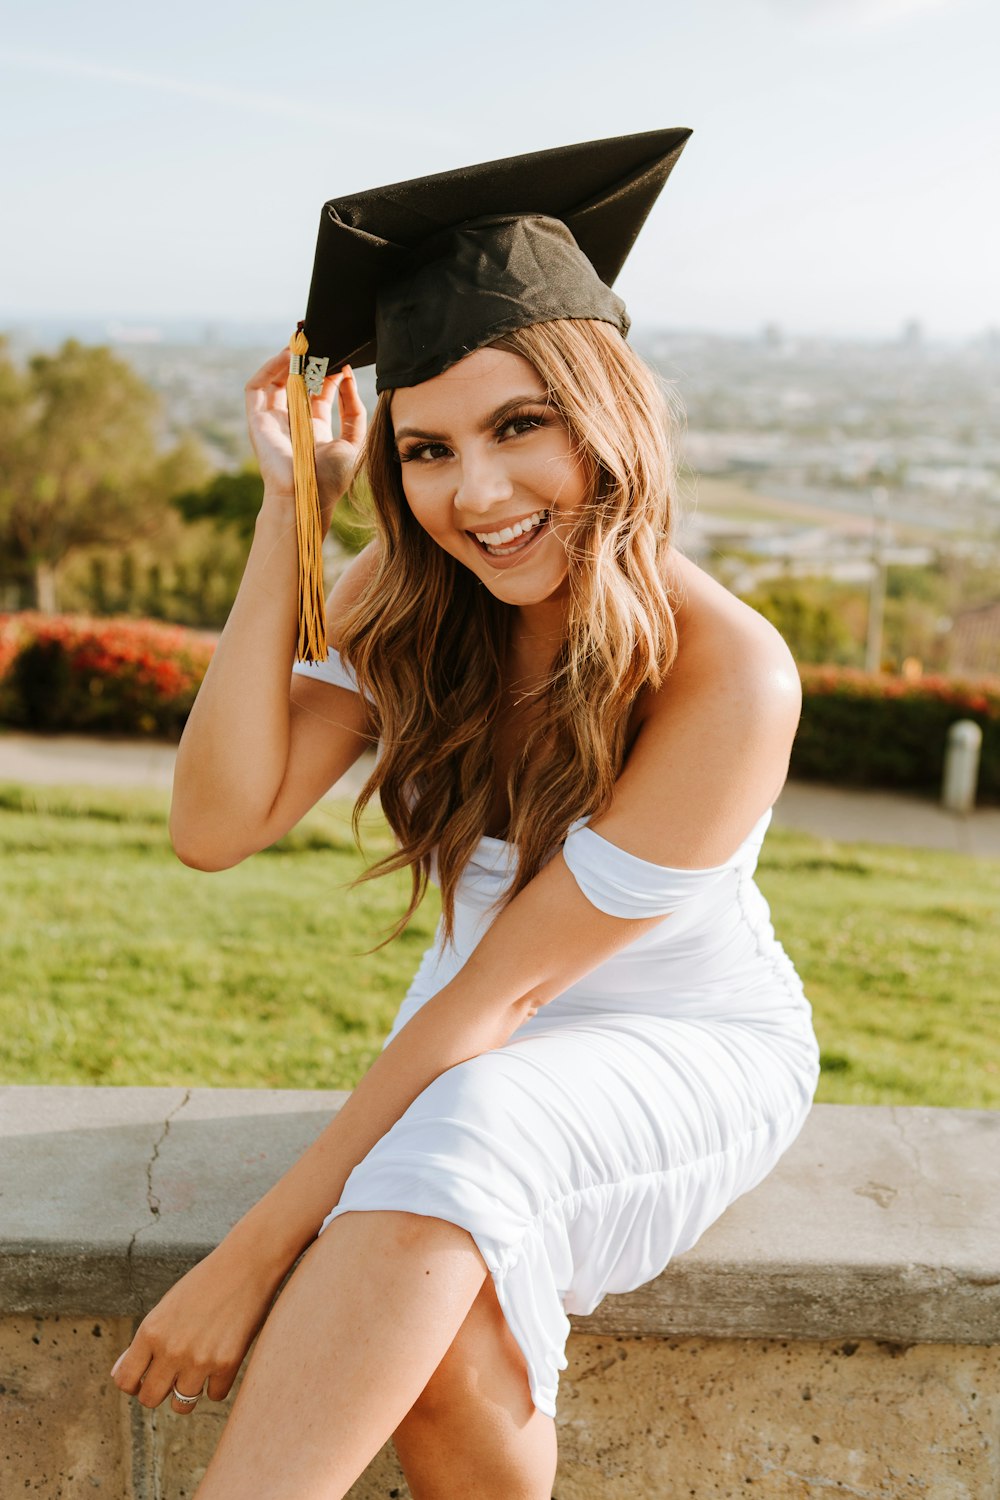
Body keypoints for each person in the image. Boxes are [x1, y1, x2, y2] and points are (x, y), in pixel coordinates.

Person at [110, 131, 821, 1500]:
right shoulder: (412, 593)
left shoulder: (730, 672)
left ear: (602, 414)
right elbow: (217, 823)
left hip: (678, 1046)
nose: (475, 496)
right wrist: (293, 517)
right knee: (436, 1332)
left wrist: (254, 1253)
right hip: (477, 1043)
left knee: (464, 1140)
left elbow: (499, 999)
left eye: (518, 427)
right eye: (427, 450)